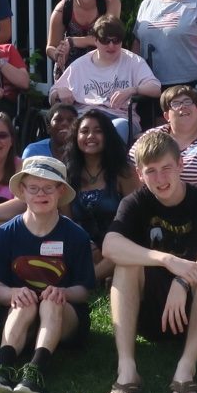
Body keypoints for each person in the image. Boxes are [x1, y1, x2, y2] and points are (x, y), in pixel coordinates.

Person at [102, 133, 197, 393]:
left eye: (166, 168)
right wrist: (167, 260)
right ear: (140, 174)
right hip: (151, 313)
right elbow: (110, 246)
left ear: (180, 165)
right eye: (151, 171)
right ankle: (126, 368)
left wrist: (184, 278)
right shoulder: (134, 203)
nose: (160, 178)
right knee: (126, 263)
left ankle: (186, 368)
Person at [0, 157, 95, 393]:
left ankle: (35, 372)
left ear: (60, 191)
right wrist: (13, 293)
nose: (40, 194)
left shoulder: (76, 236)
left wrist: (63, 293)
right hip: (20, 316)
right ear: (22, 191)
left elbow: (84, 290)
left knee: (51, 302)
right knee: (24, 303)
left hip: (65, 319)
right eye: (33, 188)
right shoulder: (3, 235)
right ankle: (3, 370)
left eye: (48, 188)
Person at [48, 15, 158, 138]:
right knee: (73, 129)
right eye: (105, 41)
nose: (111, 45)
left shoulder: (134, 61)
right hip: (85, 116)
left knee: (117, 129)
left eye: (116, 41)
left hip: (119, 117)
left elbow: (156, 88)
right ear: (95, 40)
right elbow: (53, 94)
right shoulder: (81, 64)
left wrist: (133, 89)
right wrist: (59, 92)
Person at [65, 108, 139, 280]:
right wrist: (84, 244)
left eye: (98, 131)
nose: (91, 136)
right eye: (84, 131)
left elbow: (136, 218)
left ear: (108, 136)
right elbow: (65, 222)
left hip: (120, 243)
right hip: (81, 245)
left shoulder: (125, 172)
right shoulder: (67, 175)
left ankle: (88, 280)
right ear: (76, 137)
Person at [130, 85, 197, 186]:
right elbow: (131, 164)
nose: (183, 106)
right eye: (175, 103)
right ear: (166, 116)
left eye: (187, 101)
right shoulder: (153, 135)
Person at [46, 0, 122, 76]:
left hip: (103, 68)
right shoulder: (62, 9)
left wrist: (72, 41)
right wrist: (58, 54)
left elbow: (107, 37)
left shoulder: (111, 2)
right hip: (71, 70)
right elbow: (50, 47)